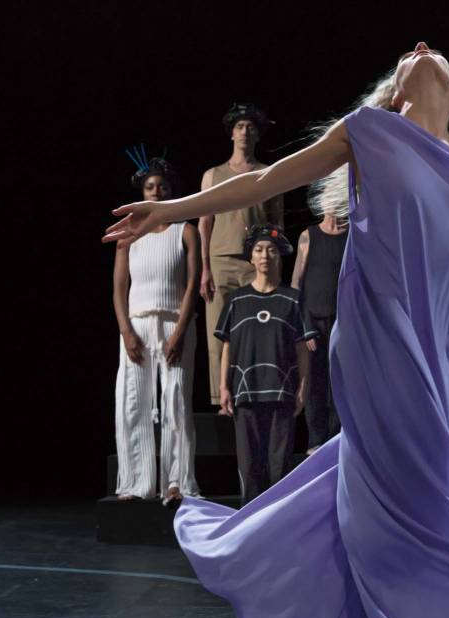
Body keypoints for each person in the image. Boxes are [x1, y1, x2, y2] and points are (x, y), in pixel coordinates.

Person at [104, 42, 449, 618]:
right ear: (397, 90)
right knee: (389, 482)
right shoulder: (367, 132)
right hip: (372, 334)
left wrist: (448, 356)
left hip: (422, 351)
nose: (420, 49)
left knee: (398, 481)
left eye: (436, 55)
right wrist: (168, 211)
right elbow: (260, 182)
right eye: (413, 54)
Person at [111, 151, 201, 503]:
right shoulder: (127, 237)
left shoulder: (186, 231)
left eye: (162, 187)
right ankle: (137, 483)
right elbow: (119, 288)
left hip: (174, 324)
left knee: (176, 400)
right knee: (133, 403)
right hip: (136, 326)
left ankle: (176, 482)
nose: (156, 193)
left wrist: (179, 331)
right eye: (150, 187)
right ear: (142, 193)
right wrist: (126, 332)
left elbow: (192, 284)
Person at [216, 224, 314, 502]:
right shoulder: (237, 301)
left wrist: (303, 389)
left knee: (278, 469)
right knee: (249, 468)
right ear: (251, 257)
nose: (265, 255)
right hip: (245, 393)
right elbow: (227, 347)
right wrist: (224, 387)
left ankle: (276, 526)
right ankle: (251, 527)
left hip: (281, 394)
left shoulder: (292, 300)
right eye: (258, 250)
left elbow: (302, 350)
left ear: (279, 257)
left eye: (271, 250)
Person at [200, 104, 286, 410]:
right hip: (221, 260)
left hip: (256, 263)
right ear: (232, 133)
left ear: (257, 134)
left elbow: (277, 226)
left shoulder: (268, 174)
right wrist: (204, 269)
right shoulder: (213, 175)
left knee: (256, 329)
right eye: (240, 127)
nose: (245, 132)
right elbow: (204, 221)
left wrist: (275, 269)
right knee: (218, 334)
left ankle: (255, 392)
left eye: (250, 127)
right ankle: (220, 397)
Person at [291, 202, 348, 454]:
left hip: (344, 323)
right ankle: (315, 441)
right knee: (314, 381)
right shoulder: (308, 235)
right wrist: (304, 326)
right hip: (313, 322)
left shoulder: (353, 234)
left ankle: (337, 438)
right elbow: (296, 284)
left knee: (341, 381)